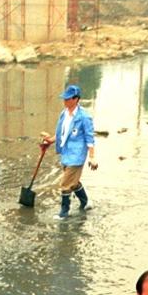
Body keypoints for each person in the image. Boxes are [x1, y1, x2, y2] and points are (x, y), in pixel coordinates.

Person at [40, 84, 97, 220]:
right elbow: (61, 133)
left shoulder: (84, 117)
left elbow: (90, 138)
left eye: (68, 99)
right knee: (74, 182)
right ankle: (86, 202)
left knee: (65, 183)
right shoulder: (64, 114)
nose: (65, 101)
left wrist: (92, 157)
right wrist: (50, 141)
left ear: (76, 99)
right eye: (64, 99)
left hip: (77, 155)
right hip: (66, 152)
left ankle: (64, 212)